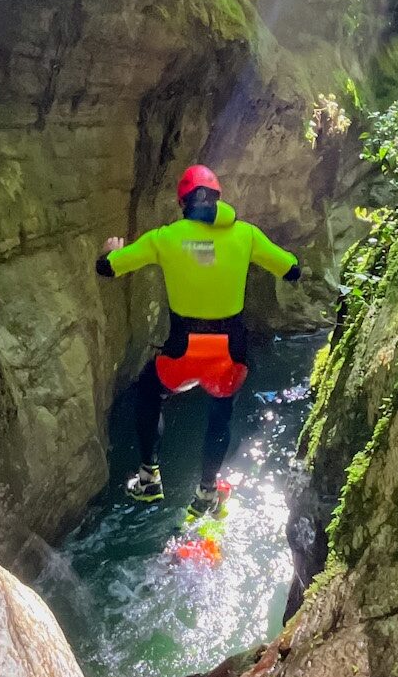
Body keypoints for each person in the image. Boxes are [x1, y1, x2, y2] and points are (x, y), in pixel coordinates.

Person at [95, 165, 301, 515]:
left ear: (182, 203)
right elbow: (292, 270)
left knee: (148, 393)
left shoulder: (165, 238)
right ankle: (206, 493)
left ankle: (149, 478)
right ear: (218, 197)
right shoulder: (246, 235)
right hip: (229, 356)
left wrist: (108, 251)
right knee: (220, 414)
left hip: (182, 354)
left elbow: (108, 269)